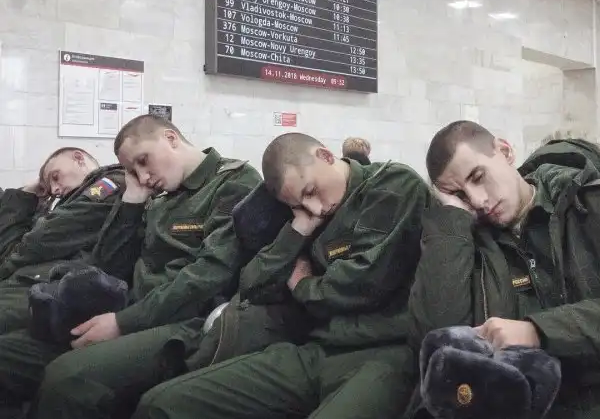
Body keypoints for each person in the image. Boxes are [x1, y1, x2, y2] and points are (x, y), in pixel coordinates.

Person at [130, 132, 432, 419]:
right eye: (299, 205)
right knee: (163, 404)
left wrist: (302, 285)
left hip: (384, 353)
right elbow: (253, 286)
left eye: (310, 191)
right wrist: (297, 231)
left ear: (326, 156)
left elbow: (363, 283)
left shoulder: (391, 184)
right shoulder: (307, 215)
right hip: (315, 350)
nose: (315, 208)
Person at [19, 115, 261, 418]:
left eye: (144, 161)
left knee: (66, 379)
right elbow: (107, 265)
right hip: (135, 308)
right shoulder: (158, 194)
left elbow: (208, 276)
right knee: (19, 350)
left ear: (170, 138)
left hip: (189, 321)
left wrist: (124, 322)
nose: (144, 176)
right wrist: (132, 200)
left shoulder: (233, 183)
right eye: (133, 171)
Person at [408, 120, 600, 418]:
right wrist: (451, 221)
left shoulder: (586, 202)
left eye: (478, 176)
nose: (478, 201)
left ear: (506, 151)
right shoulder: (466, 243)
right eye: (459, 195)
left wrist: (539, 331)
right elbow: (435, 340)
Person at [0, 147, 124, 334]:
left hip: (57, 286)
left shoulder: (108, 186)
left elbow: (36, 242)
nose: (55, 189)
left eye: (56, 177)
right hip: (38, 280)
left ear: (78, 158)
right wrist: (28, 193)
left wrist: (4, 269)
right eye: (50, 187)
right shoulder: (73, 200)